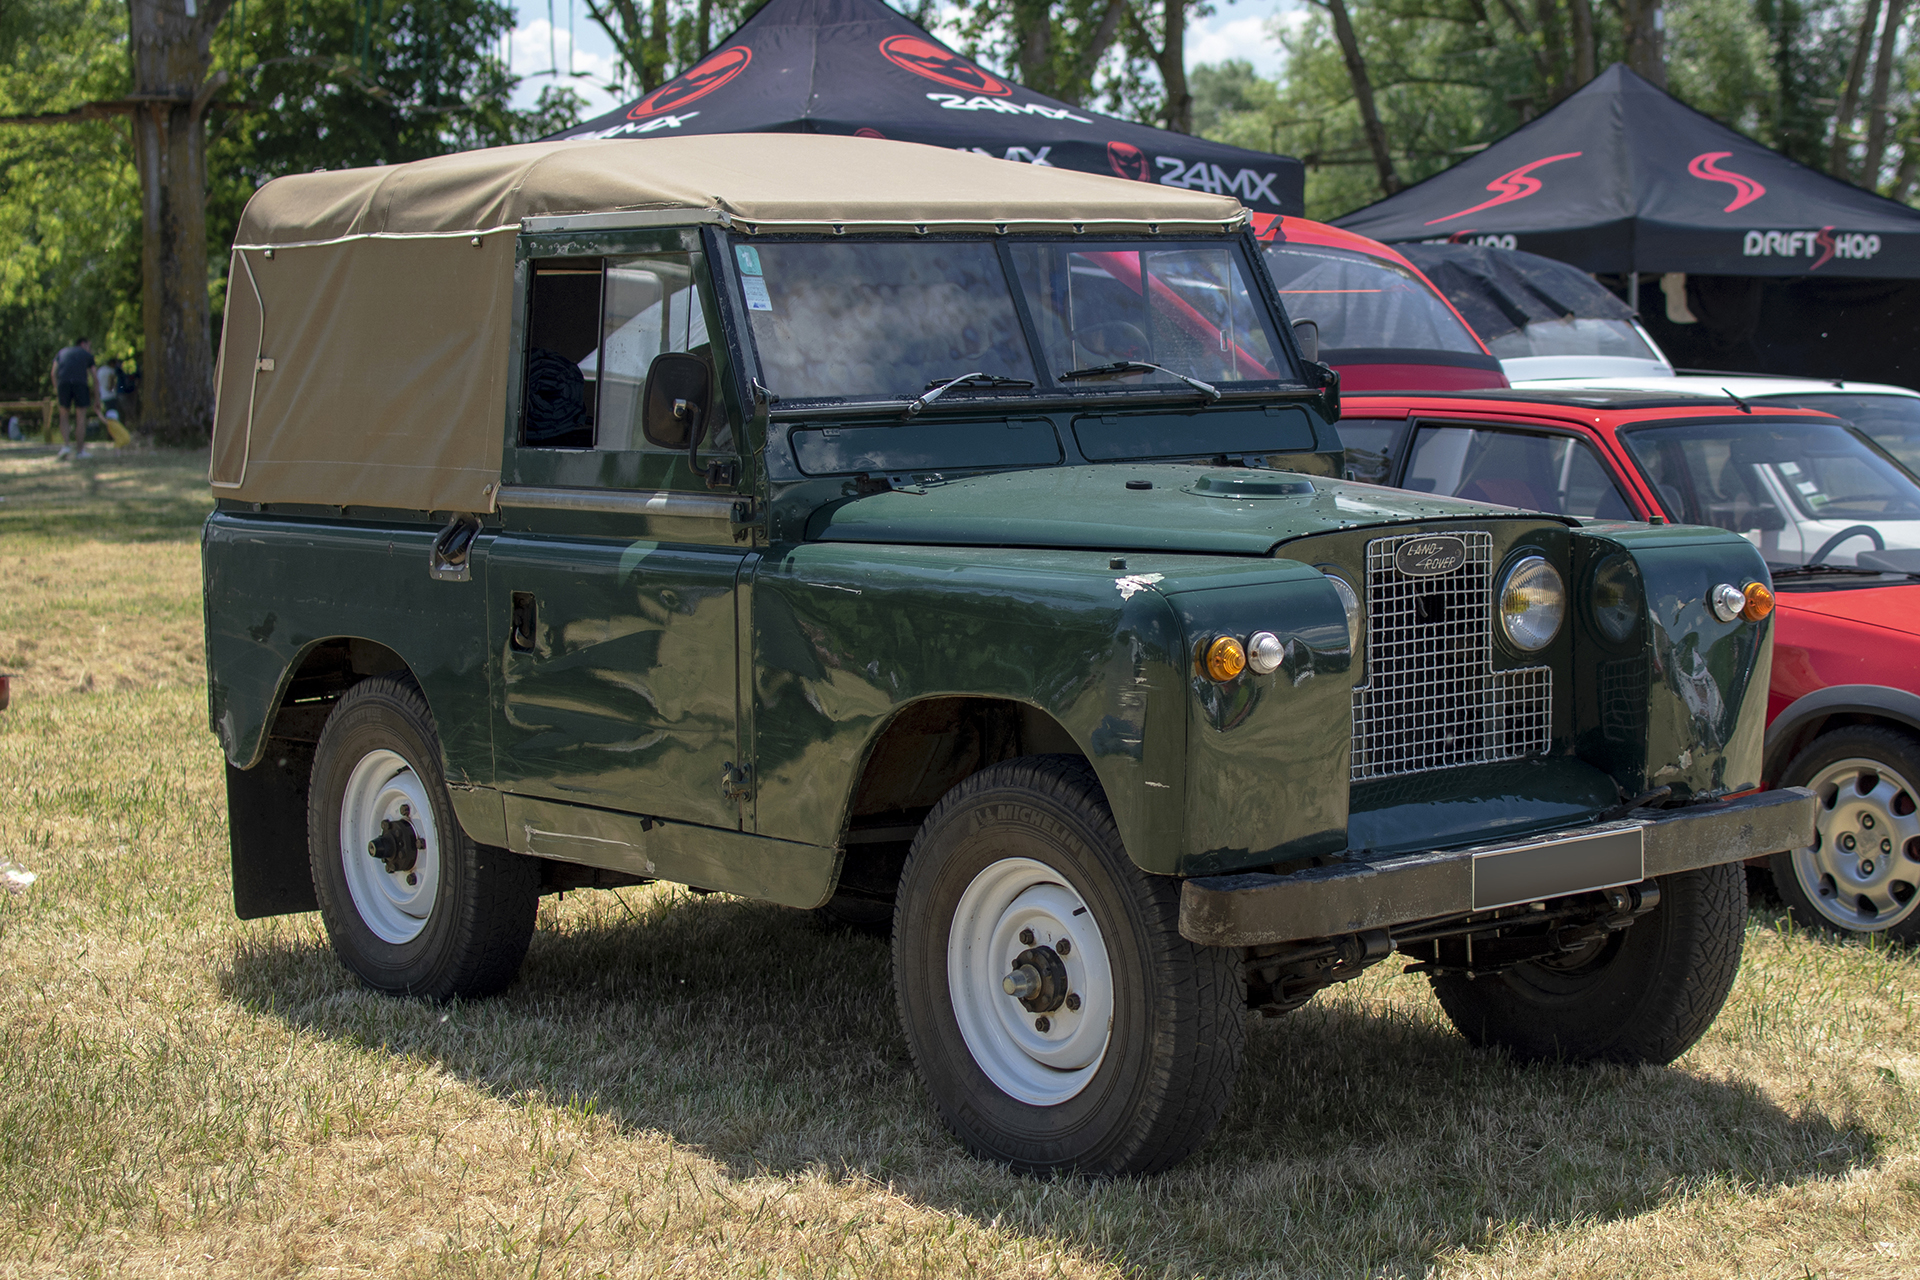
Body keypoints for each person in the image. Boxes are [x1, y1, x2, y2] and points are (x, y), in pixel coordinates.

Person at [50, 337, 95, 460]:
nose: (90, 349)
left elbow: (53, 372)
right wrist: (97, 397)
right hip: (80, 384)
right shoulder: (86, 355)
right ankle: (80, 451)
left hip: (63, 384)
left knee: (63, 415)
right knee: (81, 418)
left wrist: (57, 389)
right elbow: (94, 376)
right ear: (83, 344)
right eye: (89, 345)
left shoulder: (62, 352)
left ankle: (66, 446)